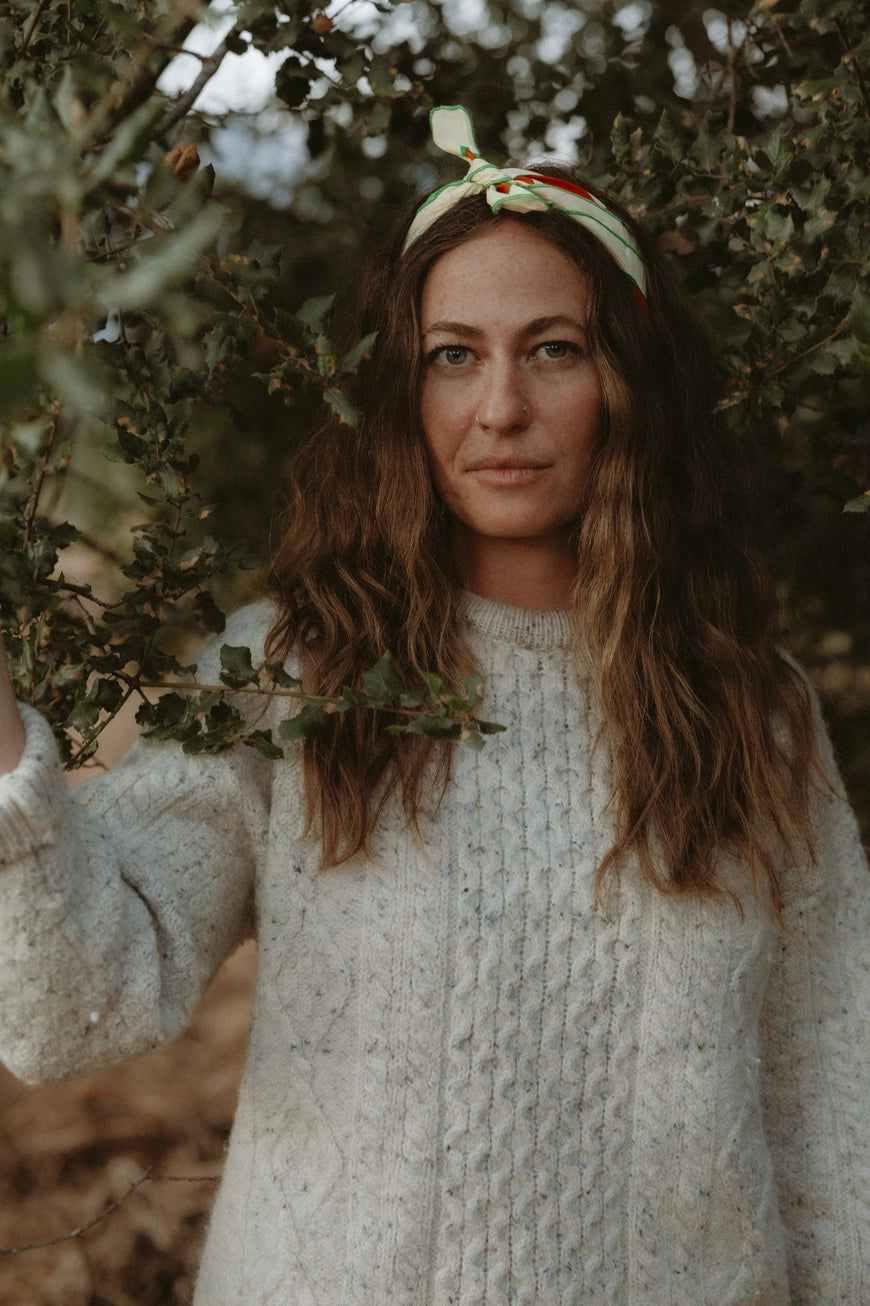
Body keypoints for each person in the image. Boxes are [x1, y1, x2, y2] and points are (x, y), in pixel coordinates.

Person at [0, 104, 868, 1304]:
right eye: (454, 354)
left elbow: (831, 1098)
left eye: (553, 349)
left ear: (627, 382)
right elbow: (72, 1013)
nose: (499, 407)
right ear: (400, 388)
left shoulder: (750, 705)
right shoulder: (290, 675)